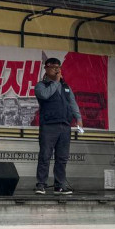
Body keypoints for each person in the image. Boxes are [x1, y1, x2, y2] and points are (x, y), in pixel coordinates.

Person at [34, 57, 83, 195]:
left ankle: (59, 185)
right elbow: (45, 95)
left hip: (65, 126)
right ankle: (41, 184)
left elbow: (72, 103)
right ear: (46, 69)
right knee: (45, 155)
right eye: (53, 67)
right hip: (49, 126)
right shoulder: (41, 85)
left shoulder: (66, 87)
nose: (56, 70)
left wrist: (78, 118)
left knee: (62, 157)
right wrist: (56, 82)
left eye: (58, 67)